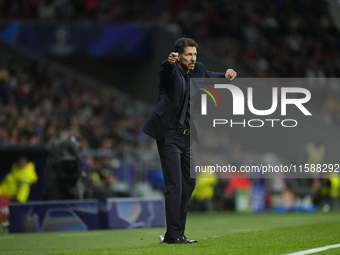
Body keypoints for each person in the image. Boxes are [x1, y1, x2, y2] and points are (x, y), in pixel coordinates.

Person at [142, 37, 237, 244]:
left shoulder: (198, 70)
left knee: (189, 183)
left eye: (194, 54)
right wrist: (169, 63)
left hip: (187, 137)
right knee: (174, 185)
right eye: (188, 55)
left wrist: (226, 74)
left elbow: (211, 75)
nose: (193, 58)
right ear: (179, 56)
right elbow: (164, 73)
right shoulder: (170, 70)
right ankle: (174, 235)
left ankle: (176, 233)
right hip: (169, 135)